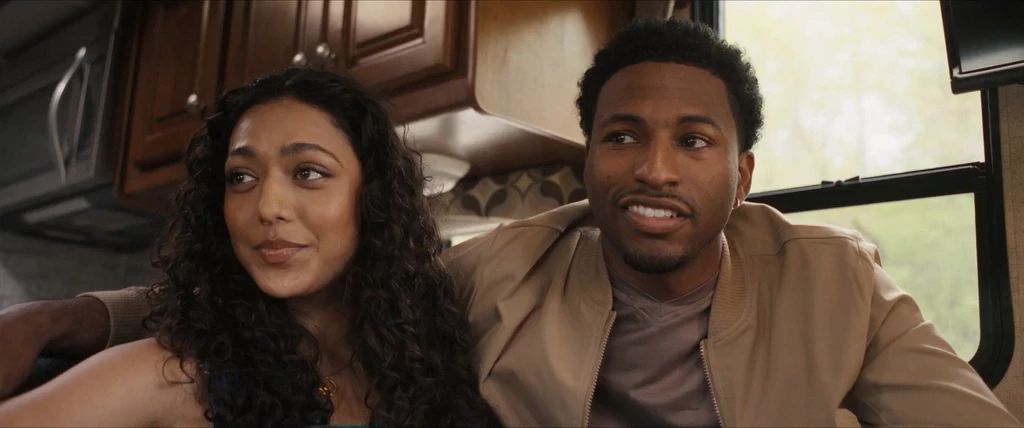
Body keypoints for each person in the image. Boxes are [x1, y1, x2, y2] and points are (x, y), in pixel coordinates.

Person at [0, 18, 1019, 427]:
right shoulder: (508, 266)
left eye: (694, 141)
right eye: (622, 135)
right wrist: (69, 316)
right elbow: (301, 279)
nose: (654, 167)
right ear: (588, 159)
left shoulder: (837, 281)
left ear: (744, 172)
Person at [0, 68, 497, 427]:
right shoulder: (176, 376)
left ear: (373, 199)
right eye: (241, 177)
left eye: (308, 172)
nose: (267, 207)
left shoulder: (428, 361)